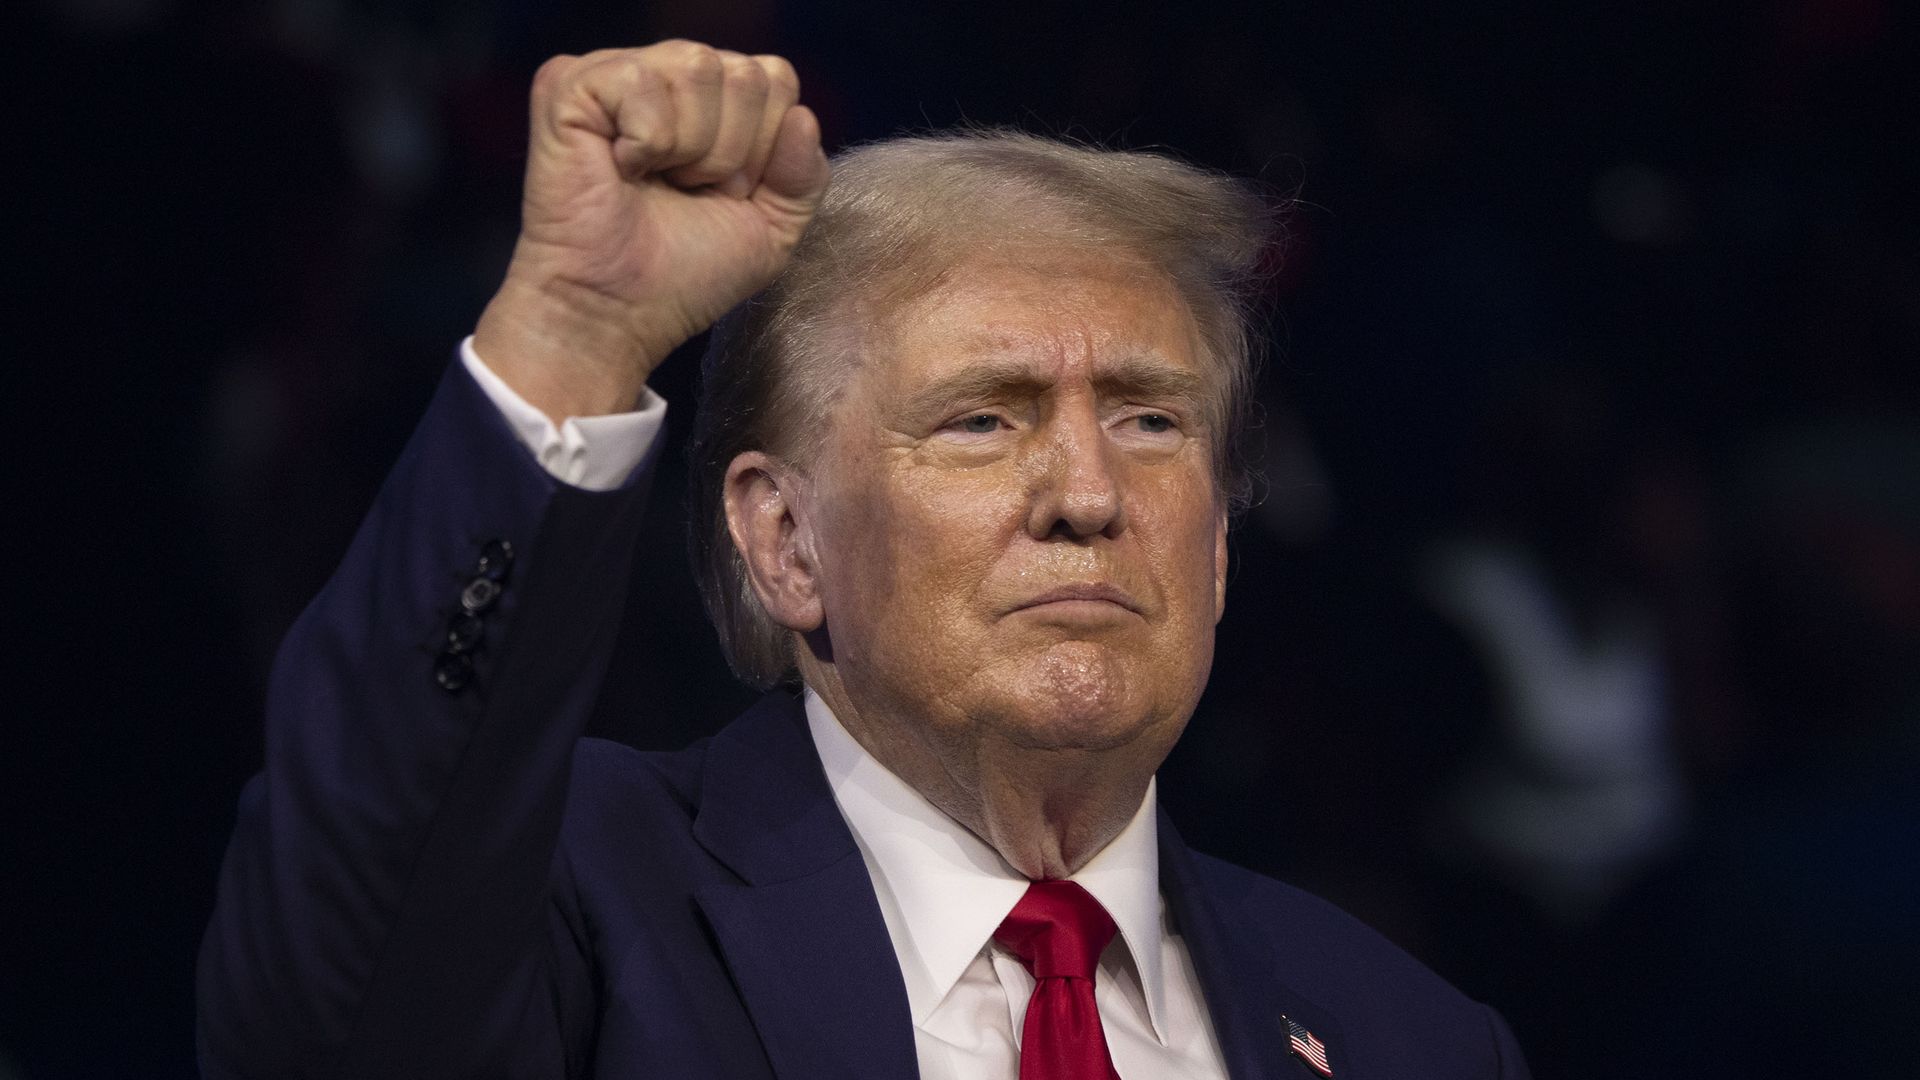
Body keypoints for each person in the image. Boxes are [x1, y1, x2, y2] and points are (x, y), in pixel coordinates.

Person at [198, 40, 1531, 1079]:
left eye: (1149, 421)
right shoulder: (578, 899)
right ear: (785, 542)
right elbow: (334, 987)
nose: (1089, 494)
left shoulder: (1412, 1038)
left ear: (1222, 545)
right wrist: (572, 329)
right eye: (982, 420)